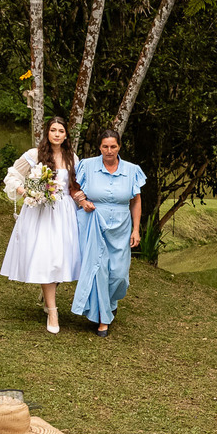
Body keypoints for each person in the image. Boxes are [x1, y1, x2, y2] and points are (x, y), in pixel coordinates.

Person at [0, 116, 82, 334]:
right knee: (48, 259)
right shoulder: (35, 154)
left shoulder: (72, 157)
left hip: (64, 213)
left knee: (63, 259)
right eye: (53, 130)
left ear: (66, 135)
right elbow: (13, 175)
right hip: (41, 213)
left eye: (61, 131)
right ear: (47, 132)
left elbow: (74, 186)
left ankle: (48, 295)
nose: (56, 134)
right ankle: (53, 311)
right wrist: (24, 191)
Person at [70, 129, 143, 337]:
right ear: (99, 147)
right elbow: (73, 188)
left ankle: (110, 303)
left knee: (119, 275)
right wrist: (82, 201)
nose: (109, 151)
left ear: (119, 147)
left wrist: (136, 230)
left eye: (113, 146)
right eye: (105, 147)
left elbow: (136, 200)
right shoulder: (87, 165)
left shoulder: (132, 170)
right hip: (93, 223)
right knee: (98, 270)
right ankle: (102, 319)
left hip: (121, 226)